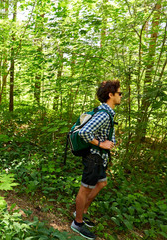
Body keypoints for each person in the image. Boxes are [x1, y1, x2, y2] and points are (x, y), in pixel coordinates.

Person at [71, 80, 122, 239]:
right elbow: (84, 133)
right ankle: (77, 222)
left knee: (101, 183)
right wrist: (101, 143)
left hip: (99, 157)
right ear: (110, 95)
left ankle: (81, 211)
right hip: (94, 157)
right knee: (85, 189)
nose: (121, 96)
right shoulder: (103, 115)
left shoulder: (106, 113)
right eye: (119, 93)